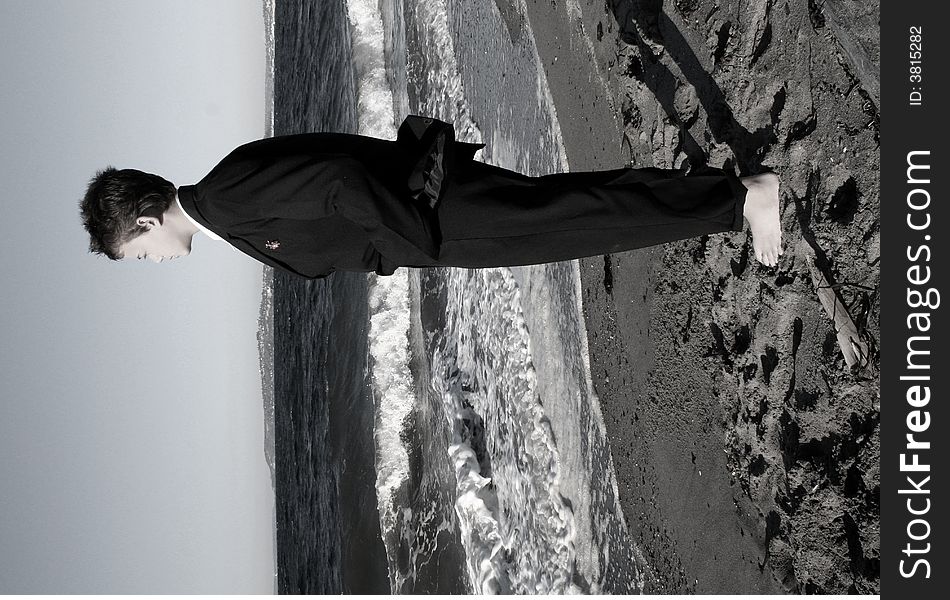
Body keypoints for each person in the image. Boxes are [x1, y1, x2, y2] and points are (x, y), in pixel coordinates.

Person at [79, 115, 782, 279]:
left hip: (438, 215)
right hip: (434, 206)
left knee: (581, 221)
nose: (151, 261)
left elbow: (337, 182)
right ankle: (726, 196)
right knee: (574, 206)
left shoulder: (225, 196)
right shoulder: (222, 206)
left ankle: (738, 201)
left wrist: (417, 239)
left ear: (145, 220)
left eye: (137, 251)